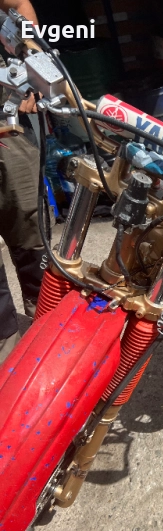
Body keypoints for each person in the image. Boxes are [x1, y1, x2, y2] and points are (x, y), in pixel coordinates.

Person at [0, 0, 44, 363]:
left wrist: (34, 63)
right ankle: (5, 348)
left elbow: (16, 3)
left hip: (6, 117)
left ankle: (46, 318)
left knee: (30, 222)